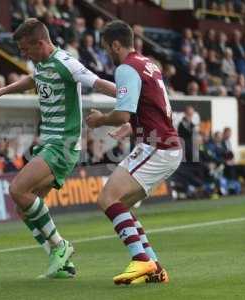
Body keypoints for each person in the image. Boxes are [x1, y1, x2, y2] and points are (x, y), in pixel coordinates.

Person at [0, 18, 116, 278]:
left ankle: (60, 246)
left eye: (26, 49)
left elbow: (98, 83)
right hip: (50, 143)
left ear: (41, 43)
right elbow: (34, 79)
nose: (24, 54)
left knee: (17, 189)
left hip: (63, 144)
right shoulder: (42, 64)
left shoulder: (67, 64)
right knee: (24, 209)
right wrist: (3, 90)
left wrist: (133, 97)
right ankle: (63, 264)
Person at [86, 20, 182, 285]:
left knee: (107, 197)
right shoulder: (149, 64)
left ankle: (140, 260)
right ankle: (155, 266)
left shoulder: (126, 68)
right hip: (165, 144)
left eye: (107, 48)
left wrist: (100, 120)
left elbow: (121, 113)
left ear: (116, 44)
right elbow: (155, 108)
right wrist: (131, 127)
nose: (107, 53)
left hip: (157, 147)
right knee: (121, 204)